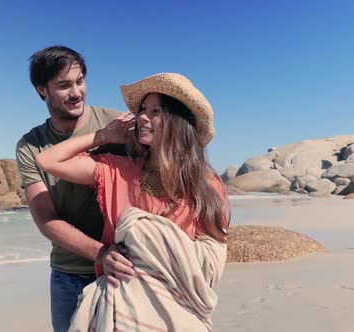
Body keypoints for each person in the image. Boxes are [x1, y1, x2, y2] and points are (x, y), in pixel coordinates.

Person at [35, 73, 229, 331]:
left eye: (156, 111)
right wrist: (103, 137)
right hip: (120, 310)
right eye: (142, 110)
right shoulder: (119, 170)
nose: (143, 117)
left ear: (178, 121)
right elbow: (48, 161)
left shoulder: (206, 185)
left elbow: (210, 258)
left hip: (175, 312)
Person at [15, 45, 135, 332]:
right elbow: (46, 220)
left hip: (125, 270)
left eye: (80, 81)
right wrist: (100, 253)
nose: (76, 92)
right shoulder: (30, 145)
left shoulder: (118, 122)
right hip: (68, 276)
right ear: (42, 90)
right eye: (64, 85)